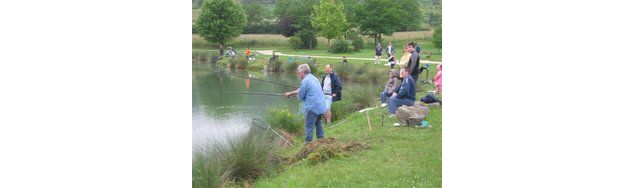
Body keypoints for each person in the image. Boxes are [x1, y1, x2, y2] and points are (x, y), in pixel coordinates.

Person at [285, 64, 327, 144]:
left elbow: (301, 96)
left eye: (298, 72)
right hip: (321, 106)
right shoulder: (313, 78)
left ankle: (308, 144)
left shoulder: (305, 81)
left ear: (302, 72)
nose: (298, 74)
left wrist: (293, 95)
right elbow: (301, 90)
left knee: (309, 126)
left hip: (313, 107)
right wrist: (290, 93)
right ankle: (321, 140)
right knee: (318, 122)